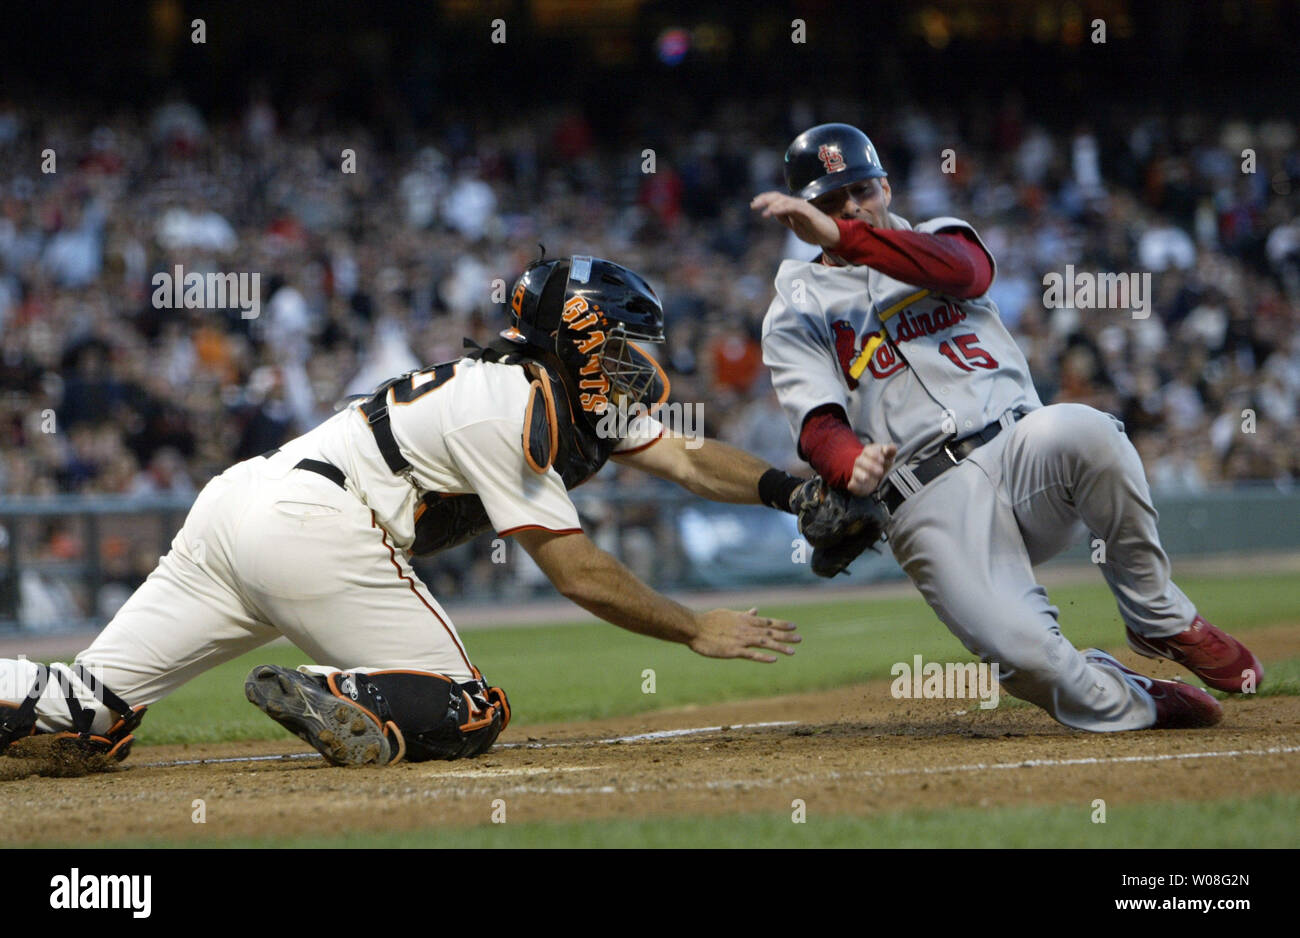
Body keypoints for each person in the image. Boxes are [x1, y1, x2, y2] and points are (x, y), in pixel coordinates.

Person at [0, 255, 808, 767]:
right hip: (317, 525)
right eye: (624, 345)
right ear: (579, 337)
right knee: (467, 707)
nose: (637, 365)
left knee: (87, 716)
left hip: (240, 506)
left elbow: (689, 458)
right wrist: (697, 627)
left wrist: (792, 491)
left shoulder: (535, 388)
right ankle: (343, 690)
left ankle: (343, 686)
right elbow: (580, 574)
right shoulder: (513, 401)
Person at [751, 123, 1262, 732]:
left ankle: (1159, 616)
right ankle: (1131, 694)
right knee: (1029, 662)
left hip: (1023, 454)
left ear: (885, 185)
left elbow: (967, 274)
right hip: (929, 500)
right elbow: (816, 424)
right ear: (799, 217)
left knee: (1090, 431)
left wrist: (846, 235)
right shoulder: (795, 305)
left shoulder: (938, 237)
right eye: (830, 202)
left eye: (860, 189)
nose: (851, 207)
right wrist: (845, 463)